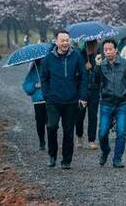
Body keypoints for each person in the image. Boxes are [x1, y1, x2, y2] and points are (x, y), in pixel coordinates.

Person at [41, 29, 88, 169]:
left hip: (71, 100)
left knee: (68, 131)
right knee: (51, 126)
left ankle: (66, 160)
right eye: (62, 40)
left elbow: (84, 77)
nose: (65, 43)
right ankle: (52, 155)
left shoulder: (77, 56)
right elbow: (44, 79)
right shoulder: (48, 58)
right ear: (56, 42)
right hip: (53, 100)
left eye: (67, 40)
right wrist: (46, 95)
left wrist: (83, 96)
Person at [95, 38, 126, 168]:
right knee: (102, 133)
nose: (108, 52)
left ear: (116, 49)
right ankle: (105, 150)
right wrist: (96, 67)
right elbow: (95, 82)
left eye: (110, 49)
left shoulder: (125, 63)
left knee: (121, 132)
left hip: (121, 103)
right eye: (105, 50)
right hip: (106, 102)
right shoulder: (101, 65)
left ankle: (117, 158)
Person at [75, 40, 101, 150]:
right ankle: (79, 136)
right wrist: (83, 69)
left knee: (93, 115)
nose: (96, 47)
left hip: (94, 90)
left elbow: (100, 76)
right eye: (95, 45)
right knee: (80, 115)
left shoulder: (97, 56)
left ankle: (92, 139)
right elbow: (74, 73)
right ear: (89, 45)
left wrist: (97, 66)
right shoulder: (78, 55)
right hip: (82, 91)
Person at [22, 59, 48, 151]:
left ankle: (52, 141)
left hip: (50, 99)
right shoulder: (33, 70)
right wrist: (35, 85)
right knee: (40, 122)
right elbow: (26, 86)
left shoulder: (50, 68)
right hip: (38, 100)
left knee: (51, 122)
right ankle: (42, 141)